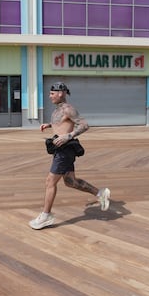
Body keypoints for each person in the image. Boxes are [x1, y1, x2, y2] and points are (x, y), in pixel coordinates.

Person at [29, 82, 111, 230]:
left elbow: (84, 125)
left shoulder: (68, 109)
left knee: (50, 182)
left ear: (61, 93)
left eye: (52, 93)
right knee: (70, 181)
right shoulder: (59, 110)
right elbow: (61, 123)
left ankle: (45, 216)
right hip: (60, 150)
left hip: (65, 150)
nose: (50, 96)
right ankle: (100, 194)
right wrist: (49, 125)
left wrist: (69, 135)